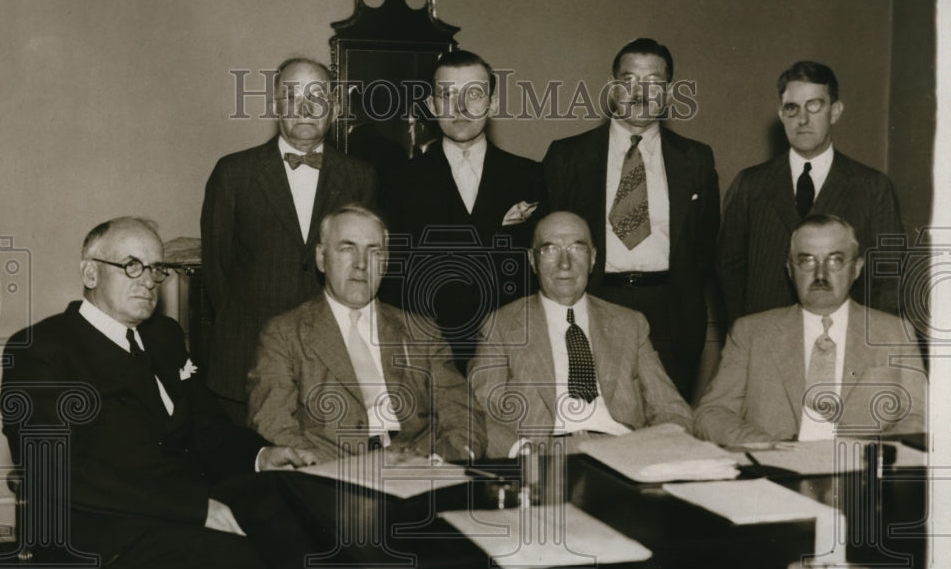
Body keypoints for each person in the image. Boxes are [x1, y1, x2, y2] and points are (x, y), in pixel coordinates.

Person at [0, 217, 366, 569]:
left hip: (181, 512)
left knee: (301, 519)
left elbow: (208, 427)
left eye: (156, 268)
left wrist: (261, 454)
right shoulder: (42, 349)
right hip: (102, 539)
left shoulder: (164, 336)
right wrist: (195, 508)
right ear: (90, 272)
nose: (149, 280)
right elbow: (57, 472)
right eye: (132, 265)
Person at [201, 57, 377, 423]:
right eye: (292, 96)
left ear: (336, 107)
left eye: (318, 97)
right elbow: (216, 271)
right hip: (244, 363)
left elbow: (363, 269)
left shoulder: (360, 177)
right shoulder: (234, 173)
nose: (306, 108)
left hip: (329, 366)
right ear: (276, 104)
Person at [542, 38, 719, 401]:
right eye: (629, 80)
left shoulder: (696, 160)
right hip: (595, 301)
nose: (640, 93)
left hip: (671, 313)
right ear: (612, 87)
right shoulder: (567, 156)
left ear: (669, 91)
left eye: (653, 82)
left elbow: (704, 247)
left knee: (668, 427)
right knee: (597, 419)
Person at [247, 205, 483, 463]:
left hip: (420, 475)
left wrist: (438, 462)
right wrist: (320, 473)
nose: (361, 264)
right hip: (330, 480)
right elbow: (273, 423)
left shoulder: (421, 331)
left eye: (374, 251)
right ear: (321, 258)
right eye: (347, 249)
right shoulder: (284, 334)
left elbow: (462, 413)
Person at [469, 211, 693, 458]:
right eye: (550, 249)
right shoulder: (500, 325)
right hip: (541, 453)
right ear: (532, 261)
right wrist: (522, 453)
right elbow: (476, 413)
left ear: (593, 258)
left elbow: (672, 409)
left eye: (577, 249)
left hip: (623, 451)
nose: (564, 263)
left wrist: (649, 450)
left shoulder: (630, 323)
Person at [695, 215, 926, 446]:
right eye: (807, 261)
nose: (820, 274)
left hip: (861, 472)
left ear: (856, 268)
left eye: (835, 260)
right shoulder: (751, 333)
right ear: (790, 269)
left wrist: (869, 453)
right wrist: (766, 446)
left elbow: (920, 416)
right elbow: (711, 414)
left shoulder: (895, 333)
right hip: (776, 469)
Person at [381, 49, 545, 372]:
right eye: (447, 95)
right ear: (431, 106)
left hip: (513, 351)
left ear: (493, 104)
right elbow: (392, 279)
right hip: (428, 354)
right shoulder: (398, 181)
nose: (459, 107)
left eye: (473, 94)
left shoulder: (531, 176)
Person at [718, 61, 905, 326]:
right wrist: (749, 334)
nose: (802, 119)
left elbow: (888, 278)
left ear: (835, 111)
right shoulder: (750, 184)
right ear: (781, 114)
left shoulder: (872, 187)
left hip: (843, 341)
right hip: (768, 341)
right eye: (792, 108)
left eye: (814, 105)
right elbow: (730, 269)